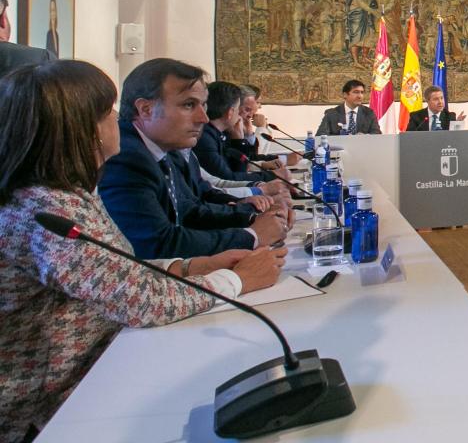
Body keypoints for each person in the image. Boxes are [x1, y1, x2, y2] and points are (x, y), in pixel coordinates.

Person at [0, 60, 286, 443]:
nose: (118, 120)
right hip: (54, 409)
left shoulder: (64, 195)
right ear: (79, 131)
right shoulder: (48, 209)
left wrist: (193, 265)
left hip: (96, 374)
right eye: (107, 112)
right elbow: (142, 302)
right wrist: (237, 279)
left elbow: (116, 270)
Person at [99, 58, 289, 260]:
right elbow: (158, 243)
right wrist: (252, 236)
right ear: (146, 109)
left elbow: (189, 210)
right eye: (189, 105)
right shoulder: (127, 158)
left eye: (203, 105)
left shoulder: (165, 148)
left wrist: (252, 217)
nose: (203, 118)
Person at [194, 81, 286, 183]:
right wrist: (272, 176)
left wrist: (241, 138)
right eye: (238, 109)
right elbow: (231, 177)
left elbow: (243, 166)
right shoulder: (205, 138)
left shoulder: (217, 133)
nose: (250, 115)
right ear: (230, 112)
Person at [316, 79, 383, 135]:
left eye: (362, 92)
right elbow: (320, 135)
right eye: (356, 92)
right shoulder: (331, 113)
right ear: (345, 95)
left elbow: (377, 133)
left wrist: (365, 136)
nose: (360, 96)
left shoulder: (369, 113)